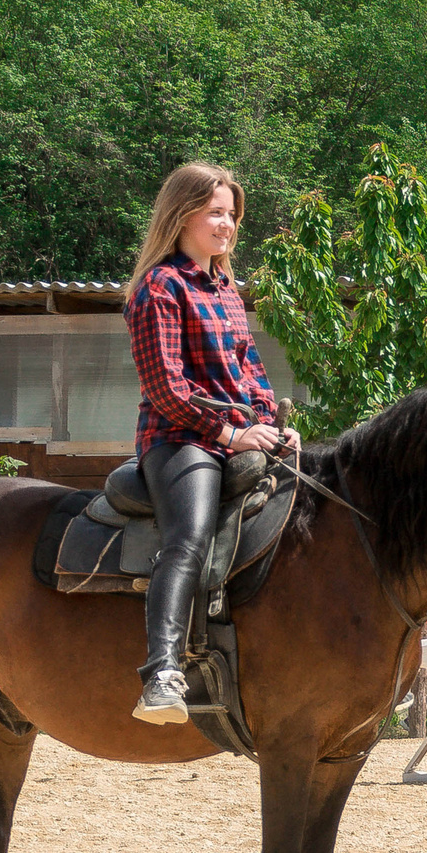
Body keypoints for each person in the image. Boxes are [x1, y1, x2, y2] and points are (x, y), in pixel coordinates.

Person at [123, 162, 293, 724]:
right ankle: (162, 673)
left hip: (240, 433)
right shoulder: (160, 287)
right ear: (182, 215)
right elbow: (167, 388)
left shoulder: (225, 288)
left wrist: (272, 421)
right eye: (215, 213)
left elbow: (250, 370)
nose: (227, 225)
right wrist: (231, 432)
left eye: (232, 215)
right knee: (189, 536)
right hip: (180, 439)